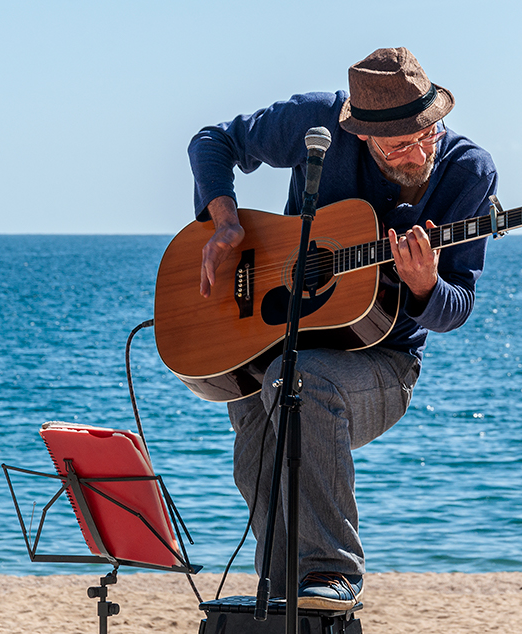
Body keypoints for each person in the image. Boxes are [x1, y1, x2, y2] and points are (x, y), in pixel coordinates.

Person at [186, 47, 497, 610]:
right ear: (360, 133)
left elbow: (458, 304)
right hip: (278, 346)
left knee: (293, 380)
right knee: (257, 408)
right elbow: (212, 141)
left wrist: (425, 287)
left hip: (383, 365)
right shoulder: (315, 124)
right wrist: (225, 219)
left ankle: (332, 572)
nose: (419, 151)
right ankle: (284, 591)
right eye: (399, 144)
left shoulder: (466, 172)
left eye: (428, 133)